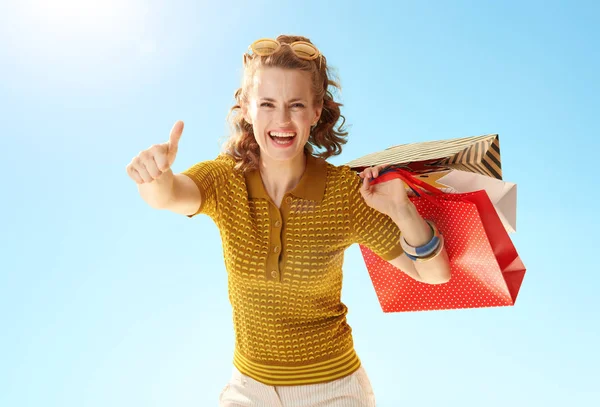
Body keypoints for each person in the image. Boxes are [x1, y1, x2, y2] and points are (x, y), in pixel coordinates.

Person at [126, 35, 451, 407]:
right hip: (249, 389)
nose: (281, 120)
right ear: (247, 110)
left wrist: (402, 211)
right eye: (267, 104)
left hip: (334, 390)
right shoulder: (224, 181)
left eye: (296, 105)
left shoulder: (345, 193)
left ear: (316, 112)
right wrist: (155, 177)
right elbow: (168, 195)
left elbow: (434, 274)